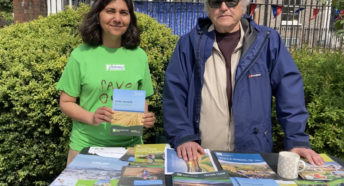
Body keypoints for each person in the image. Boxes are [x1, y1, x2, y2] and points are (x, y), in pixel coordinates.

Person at [163, 0, 324, 165]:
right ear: (208, 8)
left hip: (252, 156)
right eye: (216, 2)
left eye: (232, 1)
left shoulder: (267, 41)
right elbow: (174, 94)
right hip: (201, 156)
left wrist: (297, 140)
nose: (224, 7)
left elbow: (290, 93)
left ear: (244, 5)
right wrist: (183, 136)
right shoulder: (188, 43)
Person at [56, 0, 155, 166]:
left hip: (129, 150)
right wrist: (92, 117)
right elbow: (65, 103)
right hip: (86, 149)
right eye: (110, 11)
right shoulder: (80, 56)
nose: (117, 18)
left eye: (123, 13)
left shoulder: (139, 56)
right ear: (98, 15)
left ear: (130, 18)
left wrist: (144, 119)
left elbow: (142, 98)